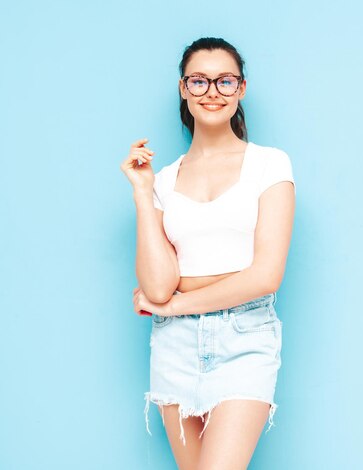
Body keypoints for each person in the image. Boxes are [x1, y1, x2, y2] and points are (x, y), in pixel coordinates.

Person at [119, 37, 296, 470]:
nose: (212, 91)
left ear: (242, 88)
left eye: (225, 80)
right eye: (199, 81)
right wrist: (143, 193)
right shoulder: (162, 179)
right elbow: (158, 285)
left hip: (246, 335)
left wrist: (176, 305)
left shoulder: (270, 165)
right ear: (184, 89)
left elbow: (265, 276)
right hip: (174, 345)